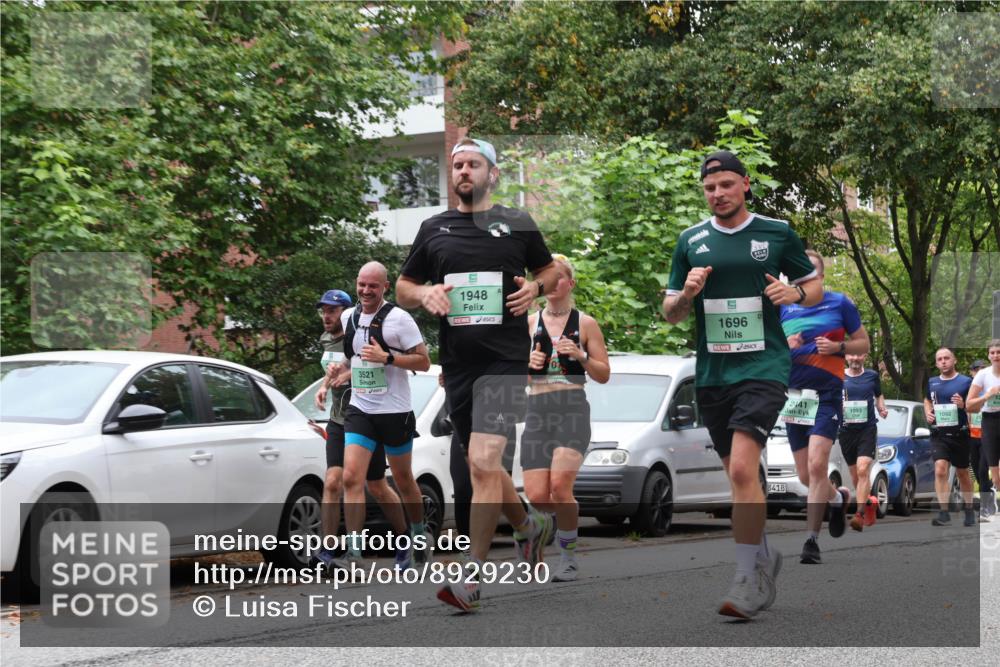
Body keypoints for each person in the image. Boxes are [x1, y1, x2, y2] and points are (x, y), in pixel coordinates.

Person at [397, 137, 561, 612]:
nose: (464, 171)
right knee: (480, 465)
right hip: (460, 367)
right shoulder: (434, 229)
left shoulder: (516, 223)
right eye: (457, 165)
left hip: (505, 362)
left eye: (473, 164)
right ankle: (530, 527)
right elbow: (405, 285)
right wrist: (424, 294)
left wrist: (534, 287)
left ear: (492, 174)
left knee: (486, 462)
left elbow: (550, 271)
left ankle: (471, 575)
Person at [662, 150, 822, 619]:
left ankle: (746, 577)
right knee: (743, 478)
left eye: (727, 185)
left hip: (764, 367)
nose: (718, 194)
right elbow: (669, 313)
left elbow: (813, 285)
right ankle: (763, 554)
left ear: (745, 184)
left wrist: (794, 293)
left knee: (740, 472)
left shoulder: (775, 233)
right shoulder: (690, 241)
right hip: (713, 374)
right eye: (710, 188)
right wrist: (687, 294)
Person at [523, 253, 610, 582]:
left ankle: (569, 558)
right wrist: (527, 365)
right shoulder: (529, 323)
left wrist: (582, 356)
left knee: (560, 488)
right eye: (546, 280)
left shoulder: (585, 323)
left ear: (570, 283)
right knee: (537, 496)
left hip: (572, 406)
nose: (551, 286)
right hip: (538, 408)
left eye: (558, 278)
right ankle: (537, 543)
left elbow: (603, 374)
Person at [340, 262, 432, 570]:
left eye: (373, 286)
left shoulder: (399, 320)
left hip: (395, 411)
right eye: (361, 284)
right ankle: (354, 554)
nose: (366, 291)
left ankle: (418, 537)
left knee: (404, 480)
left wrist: (388, 357)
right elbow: (352, 358)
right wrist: (338, 371)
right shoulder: (347, 317)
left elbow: (424, 362)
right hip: (361, 408)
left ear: (385, 287)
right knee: (352, 477)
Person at [779, 249, 870, 564]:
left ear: (821, 277)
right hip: (795, 399)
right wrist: (783, 345)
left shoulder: (839, 303)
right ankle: (838, 497)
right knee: (806, 476)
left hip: (827, 395)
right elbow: (766, 352)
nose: (803, 281)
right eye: (798, 276)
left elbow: (863, 344)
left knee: (818, 466)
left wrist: (838, 347)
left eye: (810, 275)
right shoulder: (783, 308)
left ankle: (811, 541)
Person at [310, 290, 403, 569]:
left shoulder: (360, 334)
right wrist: (324, 387)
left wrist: (348, 375)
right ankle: (328, 551)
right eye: (323, 311)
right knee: (332, 482)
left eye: (332, 311)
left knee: (376, 486)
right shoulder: (327, 339)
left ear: (347, 312)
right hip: (339, 419)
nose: (326, 316)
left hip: (366, 416)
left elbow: (369, 364)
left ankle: (406, 540)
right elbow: (333, 369)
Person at [924, 347, 975, 527]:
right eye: (940, 359)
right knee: (940, 469)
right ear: (937, 363)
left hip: (960, 433)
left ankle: (969, 509)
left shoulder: (966, 382)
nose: (943, 361)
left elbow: (974, 407)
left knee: (962, 473)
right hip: (939, 433)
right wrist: (928, 413)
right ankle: (943, 511)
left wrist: (963, 405)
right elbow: (927, 400)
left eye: (946, 358)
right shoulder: (932, 382)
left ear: (954, 361)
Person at [840, 352, 889, 531]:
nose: (855, 358)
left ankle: (859, 514)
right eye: (852, 355)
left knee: (863, 470)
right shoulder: (838, 376)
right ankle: (869, 502)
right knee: (856, 476)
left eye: (859, 355)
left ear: (865, 356)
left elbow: (879, 395)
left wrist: (881, 408)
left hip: (867, 429)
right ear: (846, 356)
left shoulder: (872, 376)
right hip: (845, 432)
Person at [967, 343, 1000, 521]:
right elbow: (969, 405)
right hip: (988, 423)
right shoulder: (983, 375)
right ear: (989, 356)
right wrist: (988, 395)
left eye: (999, 352)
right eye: (992, 353)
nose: (996, 355)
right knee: (985, 470)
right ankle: (989, 502)